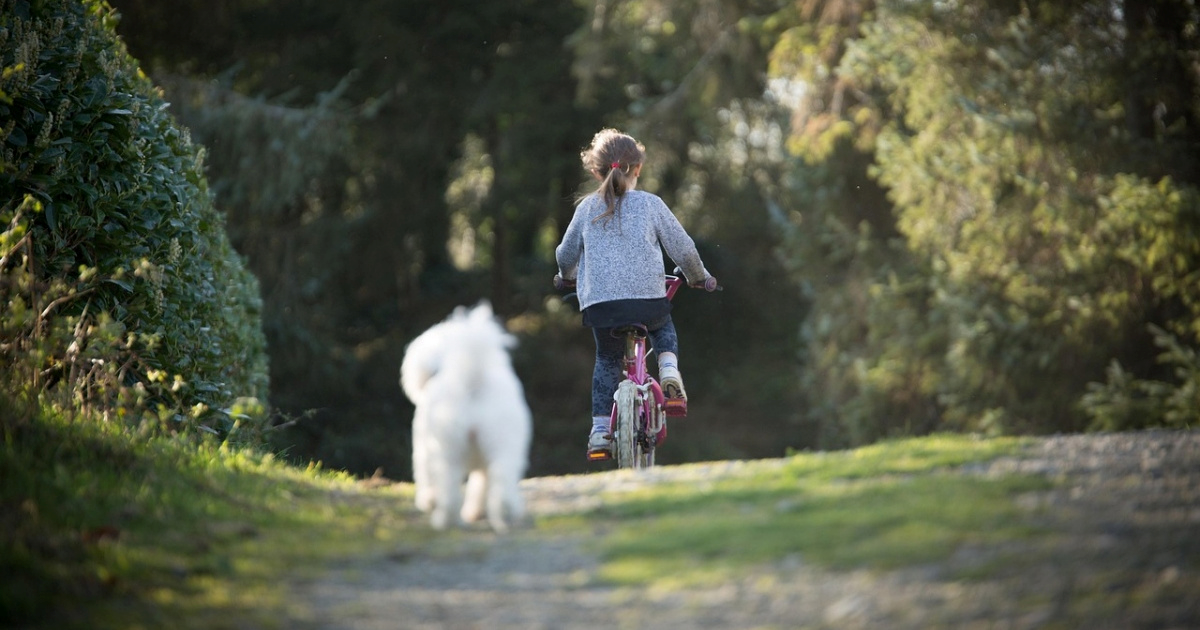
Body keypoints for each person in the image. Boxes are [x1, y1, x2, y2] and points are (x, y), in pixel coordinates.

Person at [554, 128, 718, 460]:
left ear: (596, 171)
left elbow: (566, 254)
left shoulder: (587, 209)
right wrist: (698, 277)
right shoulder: (650, 204)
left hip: (601, 306)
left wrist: (565, 277)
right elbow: (683, 249)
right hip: (648, 302)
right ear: (638, 168)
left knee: (607, 359)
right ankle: (669, 369)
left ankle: (600, 431)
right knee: (662, 325)